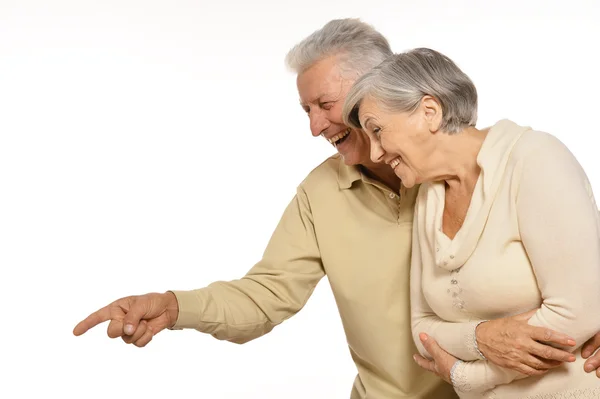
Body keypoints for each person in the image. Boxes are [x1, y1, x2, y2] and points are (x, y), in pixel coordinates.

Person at [73, 19, 600, 398]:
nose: (316, 126)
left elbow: (574, 272)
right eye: (305, 110)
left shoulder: (488, 166)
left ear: (381, 89)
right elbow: (267, 295)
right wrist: (172, 305)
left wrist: (587, 324)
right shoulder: (321, 194)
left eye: (326, 105)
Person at [342, 47, 600, 397]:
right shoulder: (429, 196)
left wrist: (468, 376)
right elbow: (423, 328)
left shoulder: (534, 159)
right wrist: (481, 337)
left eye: (377, 131)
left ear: (429, 112)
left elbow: (581, 314)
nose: (375, 154)